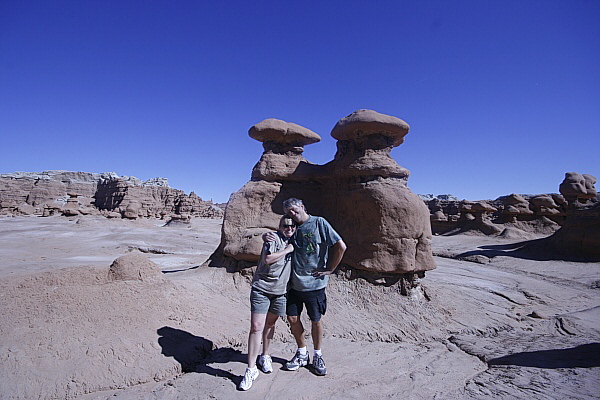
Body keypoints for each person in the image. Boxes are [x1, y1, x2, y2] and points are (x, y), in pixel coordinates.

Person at [264, 197, 347, 376]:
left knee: (315, 320)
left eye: (294, 210)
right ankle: (302, 353)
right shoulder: (291, 228)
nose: (292, 214)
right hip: (293, 285)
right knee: (292, 319)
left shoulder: (319, 223)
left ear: (302, 206)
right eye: (289, 212)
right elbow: (277, 237)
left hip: (314, 285)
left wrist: (330, 269)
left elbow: (341, 246)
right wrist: (266, 236)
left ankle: (317, 355)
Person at [238, 216, 296, 391]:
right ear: (280, 227)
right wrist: (288, 249)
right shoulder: (273, 239)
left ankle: (265, 355)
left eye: (293, 226)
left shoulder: (296, 238)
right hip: (262, 289)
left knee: (270, 324)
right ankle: (251, 369)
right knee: (256, 327)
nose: (289, 228)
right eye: (286, 226)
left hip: (280, 292)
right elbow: (268, 259)